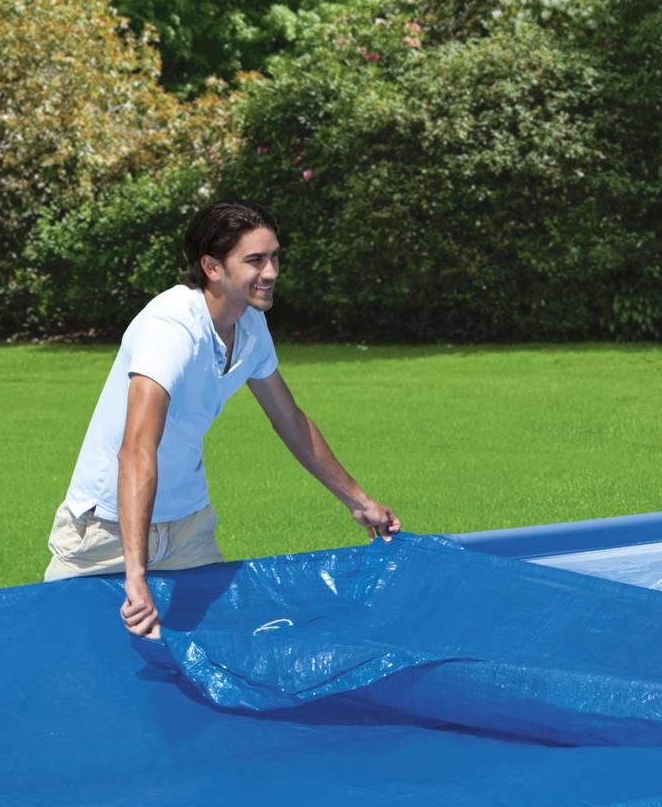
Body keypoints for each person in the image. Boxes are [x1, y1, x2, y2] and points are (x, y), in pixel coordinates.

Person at [43, 199, 400, 637]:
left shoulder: (250, 323)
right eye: (255, 260)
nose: (271, 271)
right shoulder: (169, 330)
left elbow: (289, 419)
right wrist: (136, 575)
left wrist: (360, 502)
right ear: (212, 266)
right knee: (66, 650)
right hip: (106, 532)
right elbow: (136, 450)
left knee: (207, 653)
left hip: (188, 527)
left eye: (274, 257)